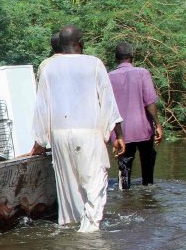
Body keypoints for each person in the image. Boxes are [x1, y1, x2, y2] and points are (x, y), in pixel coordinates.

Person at [30, 25, 125, 232]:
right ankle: (89, 233)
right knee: (94, 184)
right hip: (88, 132)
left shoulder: (49, 67)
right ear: (81, 43)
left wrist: (39, 142)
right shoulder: (94, 64)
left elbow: (41, 107)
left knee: (69, 189)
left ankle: (72, 231)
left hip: (59, 135)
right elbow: (107, 101)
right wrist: (118, 134)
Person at [108, 42, 163, 189]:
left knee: (124, 173)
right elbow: (150, 103)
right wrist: (157, 124)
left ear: (116, 58)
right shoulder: (142, 73)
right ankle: (148, 197)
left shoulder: (108, 77)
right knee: (148, 170)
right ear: (132, 57)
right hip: (143, 129)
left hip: (120, 132)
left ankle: (124, 200)